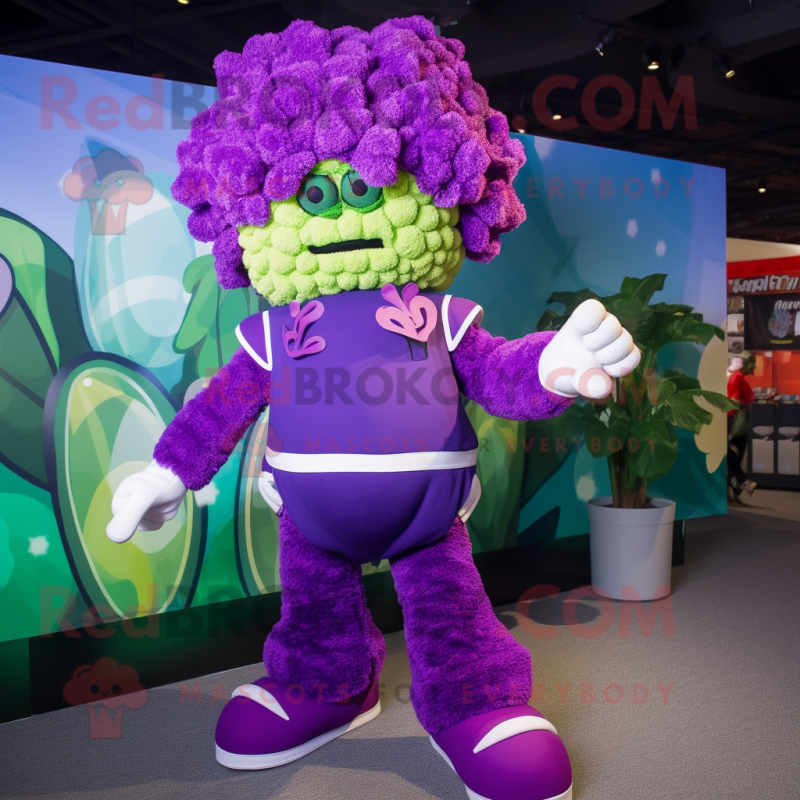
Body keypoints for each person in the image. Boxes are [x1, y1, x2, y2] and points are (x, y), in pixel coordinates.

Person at [727, 356, 757, 503]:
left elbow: (733, 401)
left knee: (728, 456)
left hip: (732, 421)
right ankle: (739, 486)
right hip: (741, 424)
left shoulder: (735, 378)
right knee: (734, 458)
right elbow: (746, 399)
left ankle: (739, 484)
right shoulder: (741, 380)